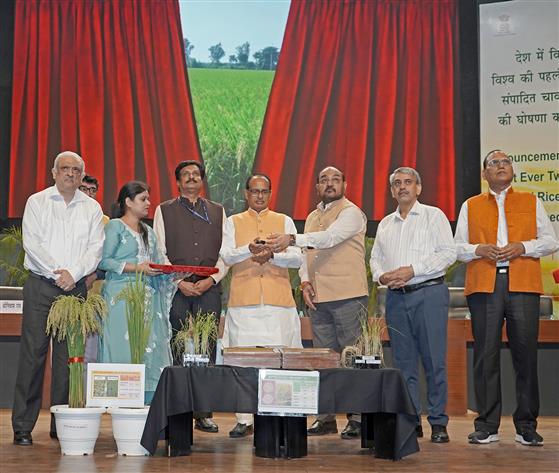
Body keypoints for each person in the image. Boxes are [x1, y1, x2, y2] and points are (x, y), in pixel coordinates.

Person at [455, 150, 558, 446]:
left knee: (525, 354)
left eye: (505, 162)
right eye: (494, 163)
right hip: (484, 285)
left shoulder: (530, 200)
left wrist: (522, 247)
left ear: (512, 170)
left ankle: (526, 425)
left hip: (522, 283)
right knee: (485, 355)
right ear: (484, 174)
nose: (501, 166)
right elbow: (457, 247)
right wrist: (478, 250)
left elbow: (551, 241)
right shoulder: (471, 205)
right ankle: (487, 425)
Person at [267, 166, 368, 439]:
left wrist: (291, 238)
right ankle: (325, 418)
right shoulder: (312, 216)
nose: (330, 184)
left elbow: (329, 238)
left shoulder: (351, 212)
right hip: (318, 299)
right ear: (317, 187)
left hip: (348, 296)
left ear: (345, 184)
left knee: (352, 357)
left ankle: (358, 417)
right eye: (324, 180)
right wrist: (304, 282)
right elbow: (304, 253)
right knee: (324, 359)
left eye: (336, 179)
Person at [12, 151, 105, 446]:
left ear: (82, 175)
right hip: (42, 285)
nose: (70, 174)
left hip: (75, 289)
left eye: (76, 170)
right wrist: (59, 274)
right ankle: (22, 426)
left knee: (69, 359)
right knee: (33, 356)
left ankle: (61, 423)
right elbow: (32, 243)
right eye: (65, 169)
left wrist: (73, 274)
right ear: (54, 173)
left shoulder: (92, 208)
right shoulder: (37, 202)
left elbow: (95, 249)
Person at [370, 167, 456, 443]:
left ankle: (438, 422)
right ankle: (410, 421)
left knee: (433, 361)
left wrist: (413, 270)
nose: (403, 187)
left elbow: (449, 253)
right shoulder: (385, 223)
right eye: (397, 183)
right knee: (403, 364)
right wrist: (381, 276)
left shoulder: (433, 216)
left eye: (408, 182)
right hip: (396, 297)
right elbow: (375, 259)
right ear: (392, 190)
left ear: (418, 188)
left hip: (428, 294)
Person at [220, 174, 303, 438]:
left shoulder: (284, 220)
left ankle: (281, 414)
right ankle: (244, 419)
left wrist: (273, 256)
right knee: (243, 362)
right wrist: (249, 249)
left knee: (281, 361)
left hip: (278, 303)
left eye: (264, 191)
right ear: (246, 193)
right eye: (254, 191)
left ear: (270, 193)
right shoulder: (233, 221)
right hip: (244, 303)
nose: (259, 196)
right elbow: (226, 255)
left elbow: (297, 259)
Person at [153, 160, 228, 433]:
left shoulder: (218, 211)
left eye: (196, 174)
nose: (191, 178)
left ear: (202, 180)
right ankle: (178, 410)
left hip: (209, 287)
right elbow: (159, 250)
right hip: (177, 288)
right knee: (177, 346)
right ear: (178, 182)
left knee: (207, 347)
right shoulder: (164, 210)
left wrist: (212, 280)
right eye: (186, 175)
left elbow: (226, 252)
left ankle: (204, 412)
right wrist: (178, 281)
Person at [98, 181, 174, 405]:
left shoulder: (149, 232)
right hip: (121, 298)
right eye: (143, 199)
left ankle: (148, 402)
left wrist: (173, 273)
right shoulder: (115, 227)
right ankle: (121, 402)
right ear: (128, 202)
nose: (149, 203)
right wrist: (136, 268)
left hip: (148, 297)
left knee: (150, 347)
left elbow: (158, 264)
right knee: (122, 346)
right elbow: (104, 261)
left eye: (148, 198)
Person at [80, 174, 110, 365]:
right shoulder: (64, 217)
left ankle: (87, 384)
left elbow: (110, 259)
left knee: (91, 350)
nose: (88, 194)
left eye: (92, 190)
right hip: (67, 288)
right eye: (84, 189)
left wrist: (95, 275)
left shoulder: (106, 222)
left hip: (96, 292)